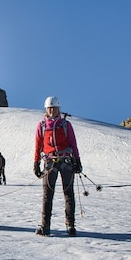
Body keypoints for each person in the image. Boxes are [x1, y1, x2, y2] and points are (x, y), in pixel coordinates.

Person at [33, 96, 82, 236]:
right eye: (49, 108)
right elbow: (38, 145)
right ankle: (45, 225)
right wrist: (36, 162)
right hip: (49, 162)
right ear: (46, 109)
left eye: (54, 108)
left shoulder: (66, 125)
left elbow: (73, 143)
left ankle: (70, 225)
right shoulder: (42, 126)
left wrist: (77, 160)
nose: (52, 110)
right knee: (47, 195)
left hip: (66, 161)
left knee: (68, 194)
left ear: (58, 109)